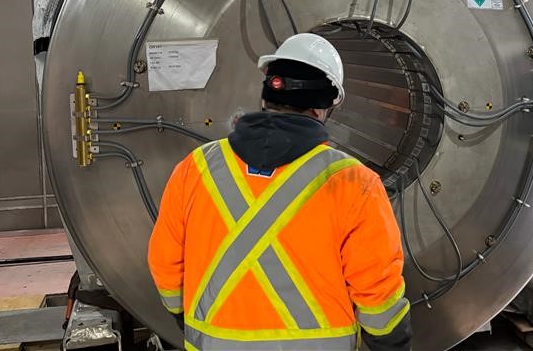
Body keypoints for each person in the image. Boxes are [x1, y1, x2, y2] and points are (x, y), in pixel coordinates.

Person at [148, 33, 412, 350]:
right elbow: (378, 296)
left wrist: (190, 319)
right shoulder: (355, 183)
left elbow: (165, 265)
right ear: (324, 108)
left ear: (266, 98)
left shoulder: (195, 168)